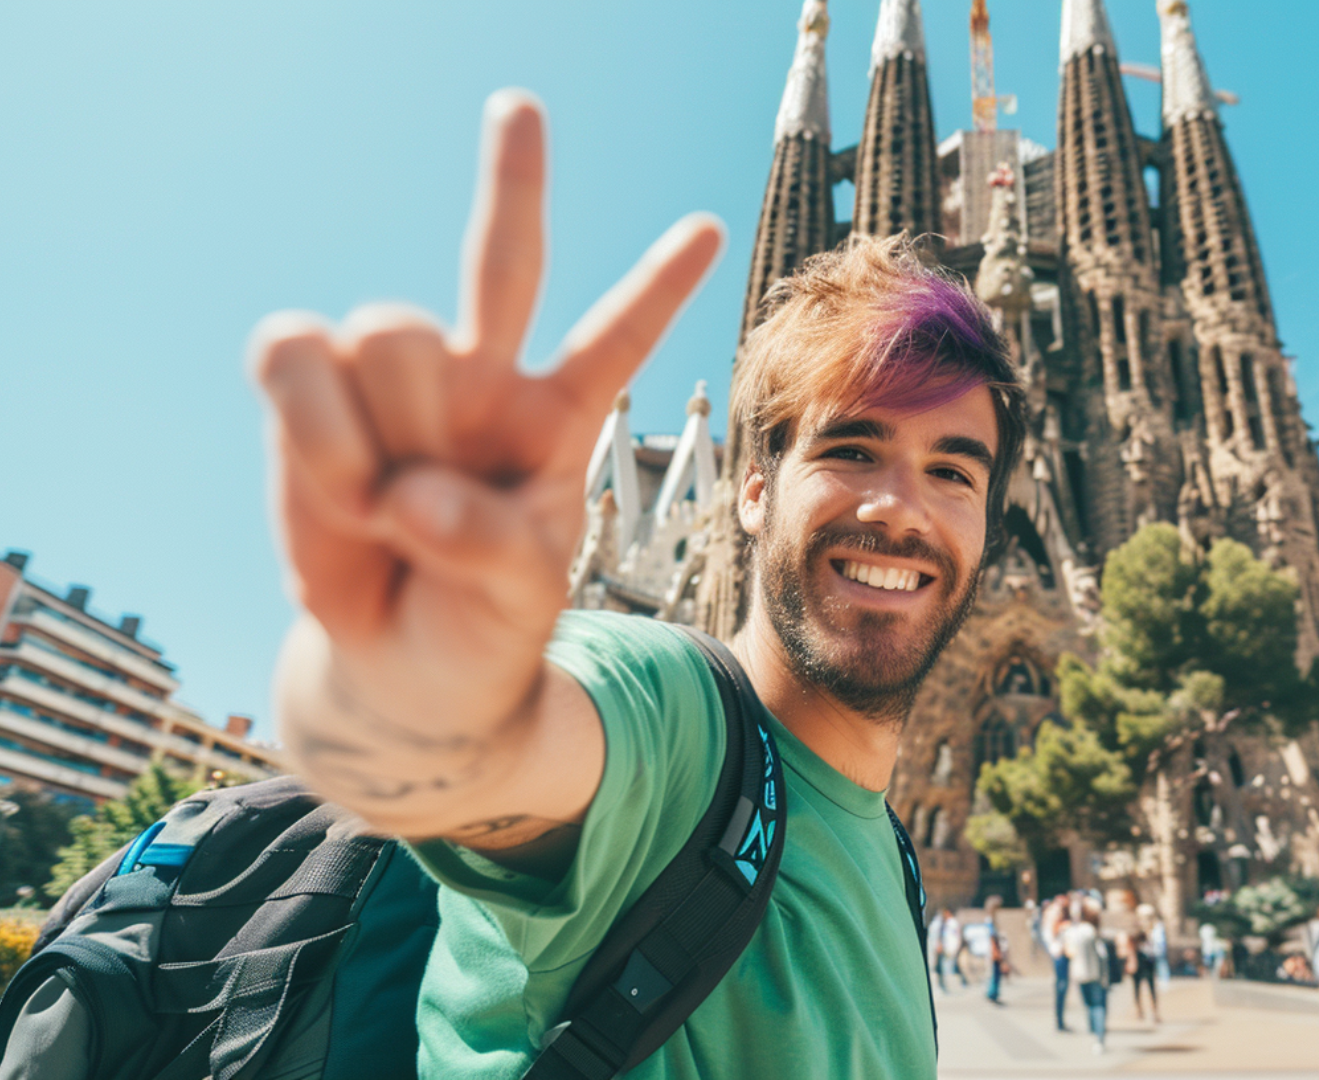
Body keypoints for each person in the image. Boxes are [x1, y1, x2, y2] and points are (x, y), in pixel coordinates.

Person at [254, 90, 1027, 1078]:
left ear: (992, 519)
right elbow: (505, 756)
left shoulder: (891, 857)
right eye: (851, 448)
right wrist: (426, 675)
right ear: (752, 490)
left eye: (953, 469)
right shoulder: (675, 728)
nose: (899, 506)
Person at [1065, 904, 1110, 1054]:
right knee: (1097, 1005)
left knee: (1090, 1004)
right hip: (1095, 973)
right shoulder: (1090, 931)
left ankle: (1094, 1032)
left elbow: (1069, 952)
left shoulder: (1073, 932)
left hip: (1080, 974)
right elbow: (1102, 954)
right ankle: (1099, 1037)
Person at [1045, 895, 1074, 1031]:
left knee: (1062, 986)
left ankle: (1060, 1019)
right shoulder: (1055, 914)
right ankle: (1059, 1020)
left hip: (1063, 954)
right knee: (1061, 986)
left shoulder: (1058, 914)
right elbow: (1052, 931)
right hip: (1060, 954)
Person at [982, 896, 1008, 1004]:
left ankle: (993, 992)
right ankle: (991, 993)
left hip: (995, 949)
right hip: (993, 950)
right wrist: (995, 951)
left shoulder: (992, 920)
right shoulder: (990, 920)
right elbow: (991, 937)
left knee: (996, 973)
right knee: (993, 972)